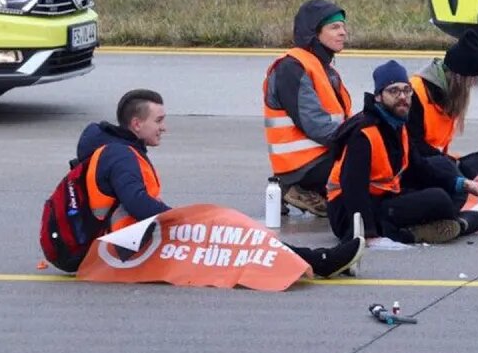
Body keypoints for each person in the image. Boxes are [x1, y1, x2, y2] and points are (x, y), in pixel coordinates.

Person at [75, 89, 366, 279]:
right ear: (136, 125)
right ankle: (320, 262)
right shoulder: (120, 156)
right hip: (124, 251)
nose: (164, 127)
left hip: (131, 243)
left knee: (235, 235)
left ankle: (314, 261)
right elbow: (139, 205)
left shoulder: (121, 150)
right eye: (159, 120)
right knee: (231, 236)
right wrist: (182, 220)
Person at [326, 60, 478, 247]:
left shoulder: (398, 125)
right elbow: (353, 187)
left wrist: (463, 184)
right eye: (394, 91)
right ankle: (411, 233)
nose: (403, 97)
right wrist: (368, 234)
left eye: (406, 90)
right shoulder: (364, 133)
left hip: (385, 198)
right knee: (439, 199)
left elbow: (419, 167)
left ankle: (444, 224)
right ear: (379, 96)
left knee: (460, 197)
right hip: (349, 214)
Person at [261, 0, 354, 217]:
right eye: (334, 27)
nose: (343, 33)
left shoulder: (324, 68)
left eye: (343, 26)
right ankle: (295, 188)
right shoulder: (292, 67)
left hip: (322, 156)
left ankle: (314, 192)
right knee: (369, 165)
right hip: (303, 165)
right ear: (313, 33)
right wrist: (359, 139)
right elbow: (317, 126)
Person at [406, 29, 478, 186]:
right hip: (420, 163)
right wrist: (451, 165)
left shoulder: (450, 94)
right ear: (459, 78)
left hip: (442, 160)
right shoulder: (415, 93)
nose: (474, 83)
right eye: (472, 79)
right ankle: (467, 180)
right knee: (452, 170)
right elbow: (413, 146)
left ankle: (467, 178)